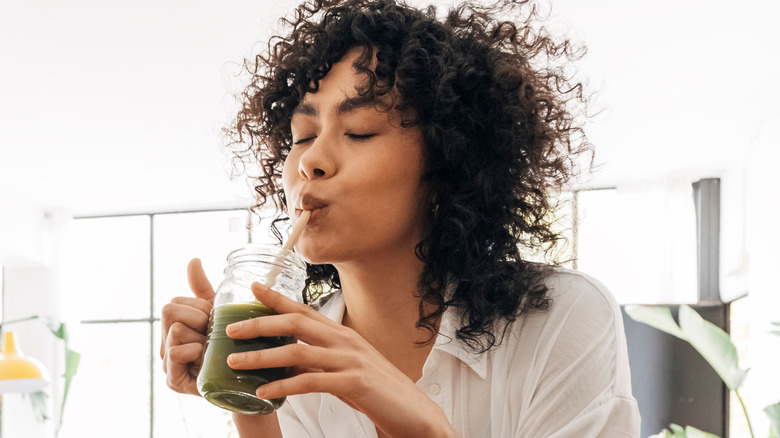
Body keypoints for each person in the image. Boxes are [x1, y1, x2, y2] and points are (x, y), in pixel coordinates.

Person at [160, 0, 641, 436]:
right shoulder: (293, 350)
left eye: (360, 131)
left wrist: (424, 429)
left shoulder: (561, 318)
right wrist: (247, 392)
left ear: (445, 164)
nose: (311, 162)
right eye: (303, 136)